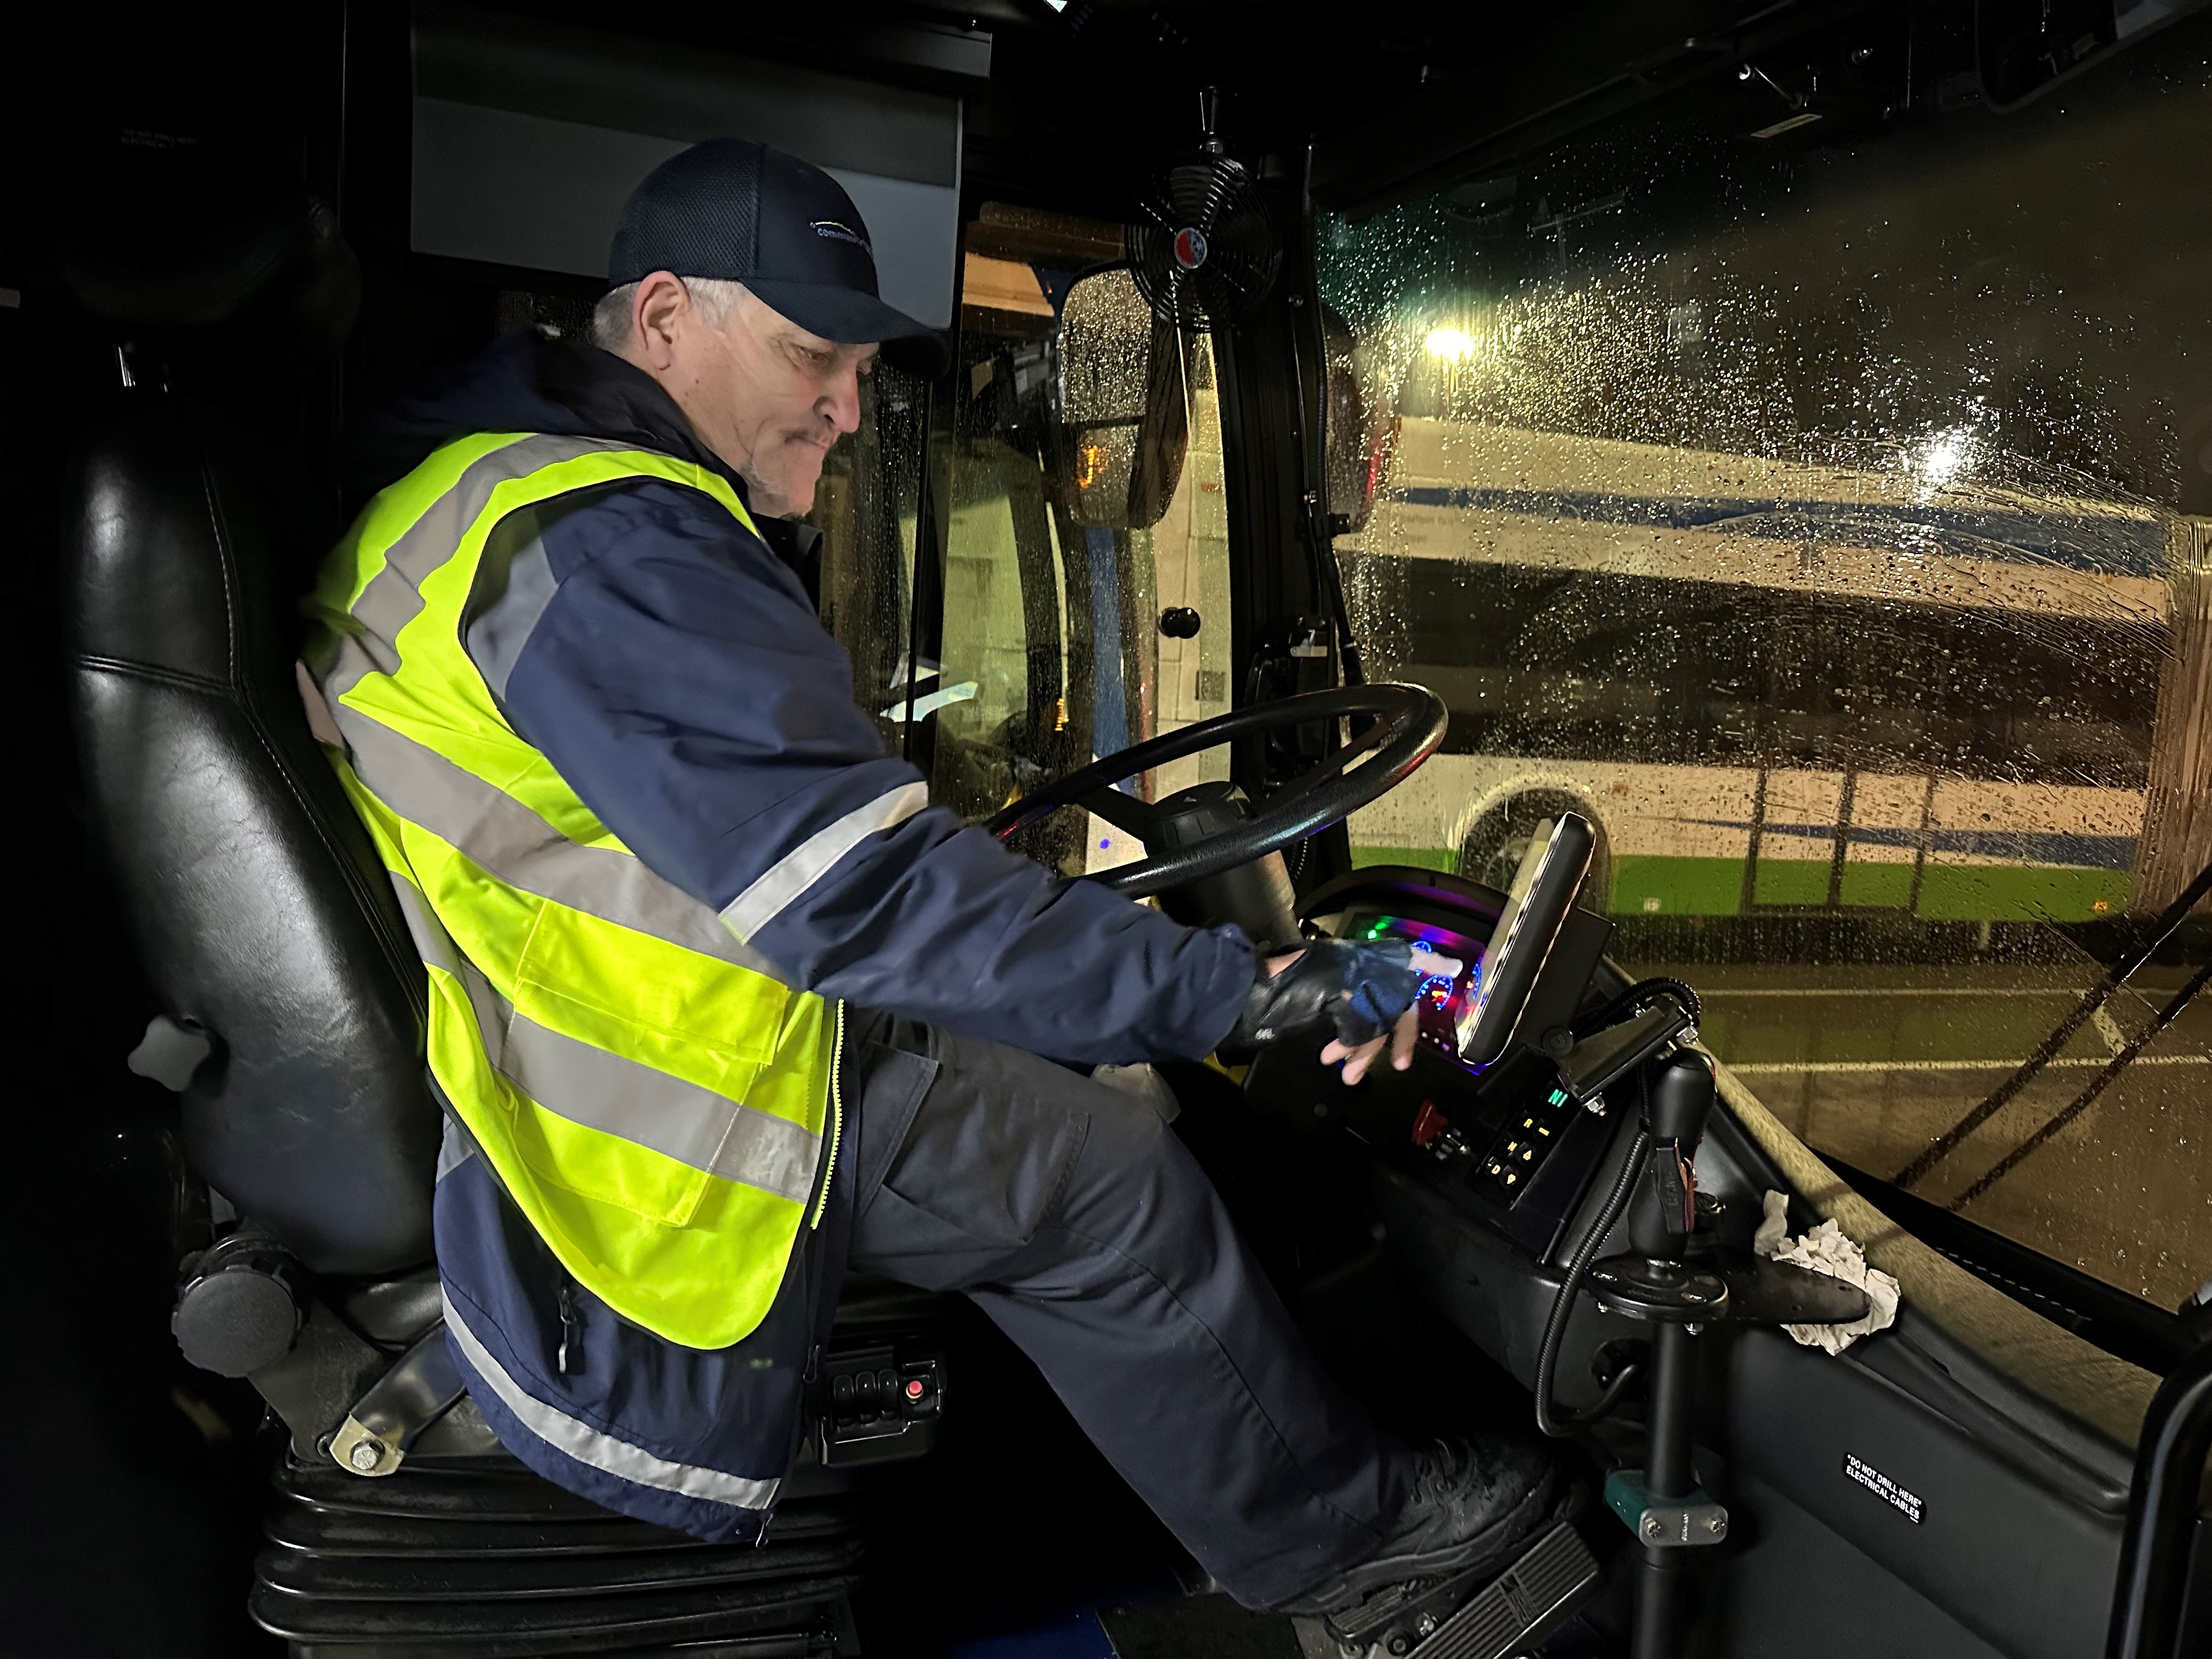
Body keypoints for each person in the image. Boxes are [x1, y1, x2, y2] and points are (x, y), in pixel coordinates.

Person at [302, 137, 1572, 1621]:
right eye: (810, 357)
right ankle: (1348, 1558)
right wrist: (1241, 996)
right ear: (663, 322)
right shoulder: (610, 547)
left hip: (647, 1013)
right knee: (1117, 1188)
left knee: (1078, 1065)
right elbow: (866, 901)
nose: (847, 409)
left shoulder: (489, 493)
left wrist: (1105, 972)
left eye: (856, 367)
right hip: (682, 1102)